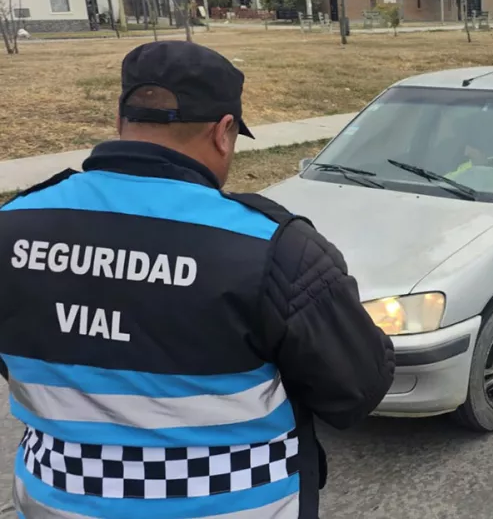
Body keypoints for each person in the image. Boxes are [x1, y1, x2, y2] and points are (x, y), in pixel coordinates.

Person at [0, 40, 395, 518]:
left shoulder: (13, 225)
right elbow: (355, 390)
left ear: (120, 119)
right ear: (223, 132)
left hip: (54, 503)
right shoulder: (272, 247)